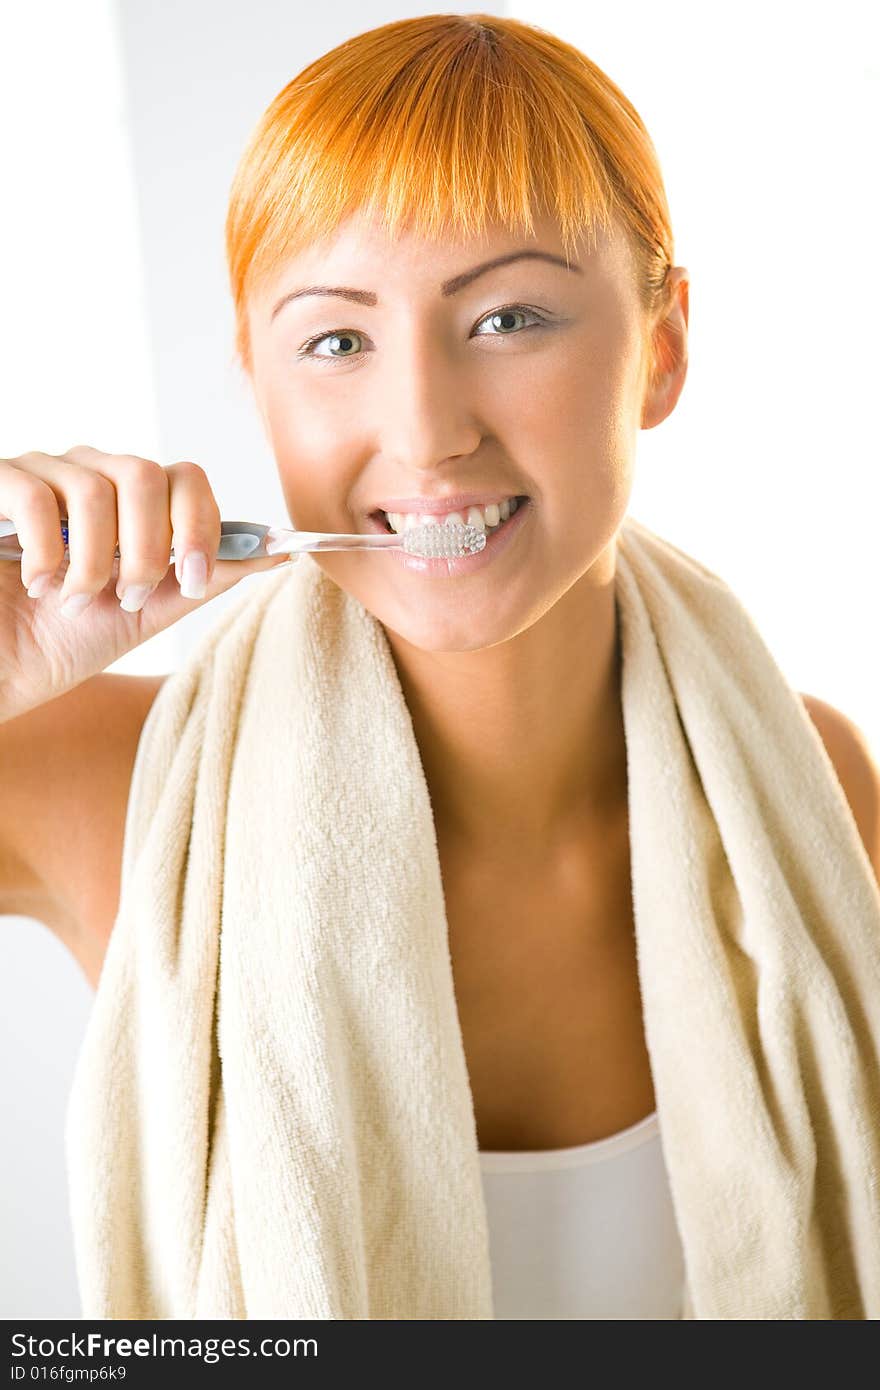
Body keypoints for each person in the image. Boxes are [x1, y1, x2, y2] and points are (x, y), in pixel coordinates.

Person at [1, 12, 878, 1320]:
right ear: (255, 377)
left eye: (509, 315)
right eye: (338, 341)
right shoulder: (98, 777)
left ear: (666, 343)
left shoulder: (817, 785)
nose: (426, 428)